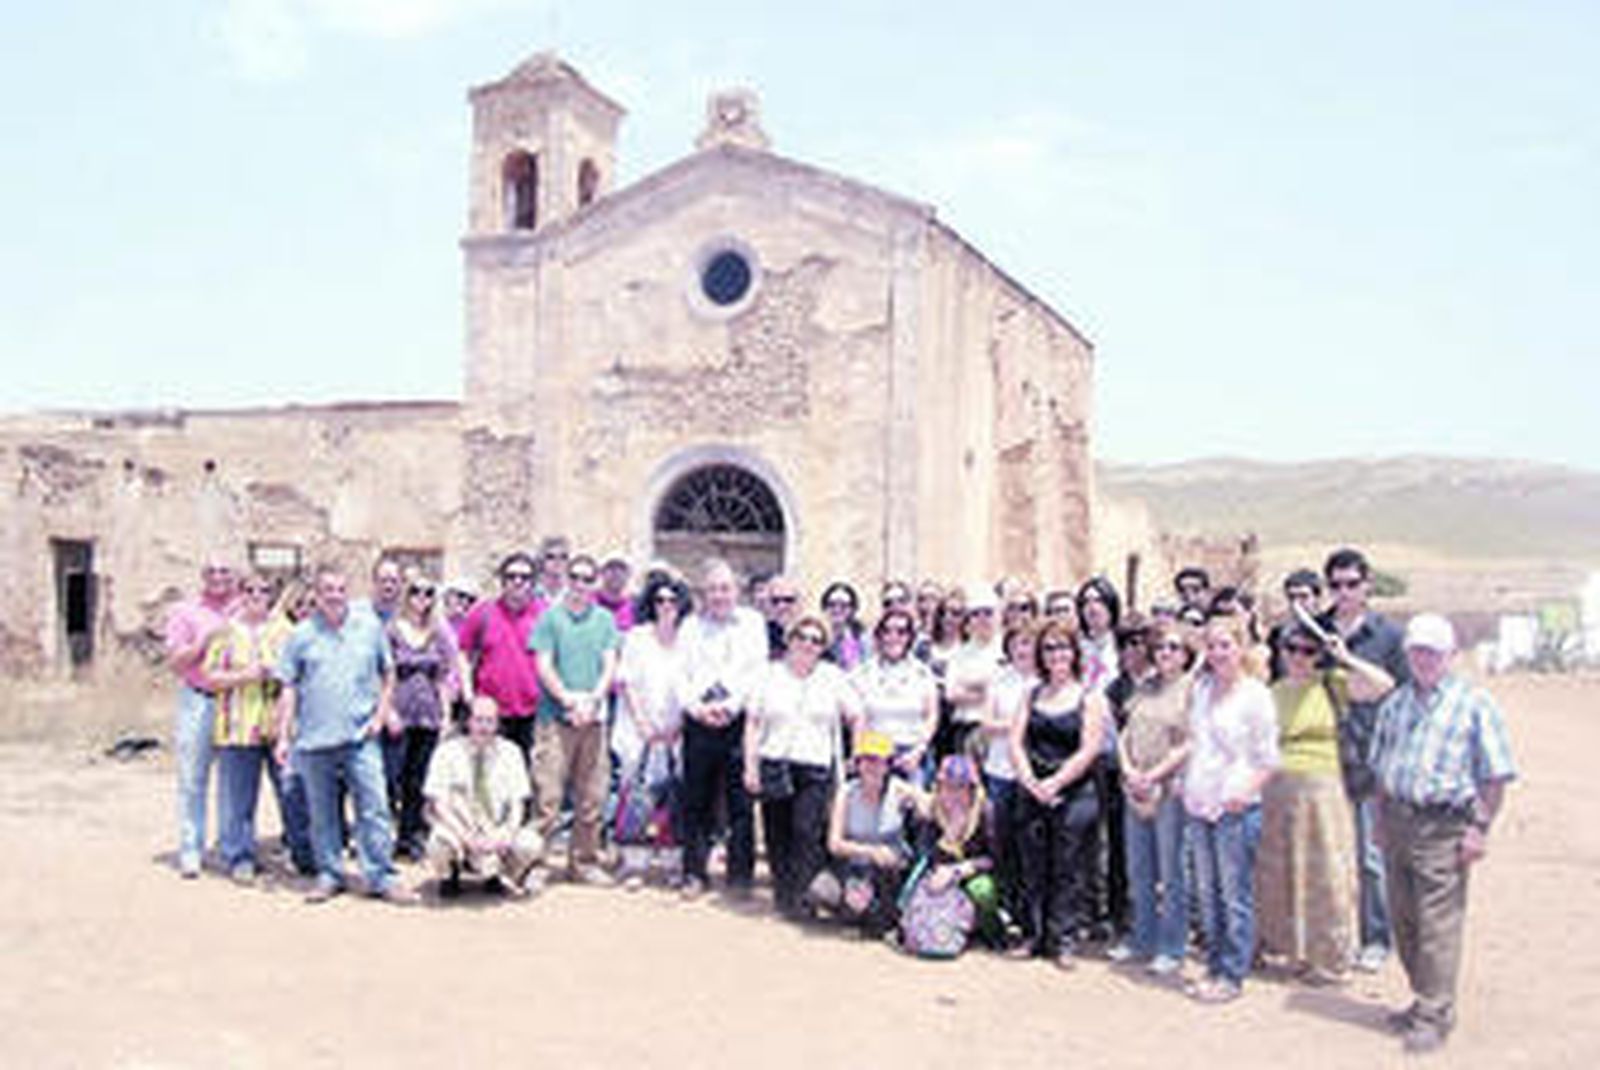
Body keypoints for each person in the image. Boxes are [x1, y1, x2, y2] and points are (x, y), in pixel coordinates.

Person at [1370, 613, 1516, 1054]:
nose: (1423, 658)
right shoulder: (1395, 703)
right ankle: (1425, 999)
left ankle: (1434, 1013)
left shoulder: (1474, 705)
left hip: (1443, 826)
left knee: (1438, 925)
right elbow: (1381, 766)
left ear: (1451, 655)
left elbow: (1495, 775)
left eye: (1432, 651)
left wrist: (1479, 829)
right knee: (1403, 920)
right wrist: (1378, 821)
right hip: (1398, 820)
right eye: (1416, 650)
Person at [1258, 622, 1395, 984]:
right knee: (1284, 871)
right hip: (1278, 787)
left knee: (1327, 873)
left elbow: (1384, 685)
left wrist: (1345, 657)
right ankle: (1291, 951)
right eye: (1292, 649)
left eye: (1308, 651)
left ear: (1319, 655)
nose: (1299, 658)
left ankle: (1331, 955)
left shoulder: (1334, 684)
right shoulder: (1273, 691)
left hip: (1323, 787)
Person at [273, 564, 416, 905]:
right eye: (327, 590)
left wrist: (381, 714)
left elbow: (388, 673)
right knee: (322, 812)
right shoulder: (301, 635)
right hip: (313, 740)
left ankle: (381, 875)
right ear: (317, 595)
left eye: (340, 589)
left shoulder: (368, 629)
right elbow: (288, 687)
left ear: (348, 591)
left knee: (375, 807)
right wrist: (283, 736)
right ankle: (330, 874)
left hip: (360, 737)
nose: (334, 596)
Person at [1319, 546, 1410, 973]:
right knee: (1328, 852)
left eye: (1351, 583)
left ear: (1367, 584)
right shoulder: (1313, 633)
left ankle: (1377, 937)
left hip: (1371, 759)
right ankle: (1335, 934)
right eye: (1335, 585)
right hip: (1321, 758)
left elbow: (1404, 696)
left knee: (1371, 859)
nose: (1343, 592)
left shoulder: (1388, 636)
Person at [1182, 615, 1279, 1002]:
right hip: (1200, 802)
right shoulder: (1202, 689)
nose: (1218, 653)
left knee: (1233, 893)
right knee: (1207, 892)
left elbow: (1269, 758)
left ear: (1241, 648)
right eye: (1212, 645)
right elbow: (1195, 742)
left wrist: (1245, 792)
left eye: (1226, 645)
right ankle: (1214, 964)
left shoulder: (1256, 695)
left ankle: (1232, 973)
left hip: (1235, 805)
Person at [743, 614, 860, 918]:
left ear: (823, 647)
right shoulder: (768, 674)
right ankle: (785, 897)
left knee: (807, 832)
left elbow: (856, 715)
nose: (808, 644)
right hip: (775, 761)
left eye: (816, 640)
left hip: (814, 766)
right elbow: (753, 724)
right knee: (776, 833)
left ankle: (803, 895)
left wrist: (856, 755)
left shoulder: (832, 677)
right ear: (790, 640)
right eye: (802, 637)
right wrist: (750, 767)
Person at [1009, 621, 1107, 968]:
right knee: (1033, 864)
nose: (1057, 655)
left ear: (1075, 653)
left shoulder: (1089, 697)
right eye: (1049, 648)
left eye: (1063, 647)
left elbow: (1089, 749)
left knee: (1069, 867)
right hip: (1033, 788)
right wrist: (1031, 781)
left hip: (1075, 791)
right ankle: (1034, 934)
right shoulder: (1031, 694)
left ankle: (1063, 939)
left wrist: (1056, 783)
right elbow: (1015, 742)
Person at [204, 572, 307, 882]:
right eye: (248, 589)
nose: (255, 595)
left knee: (291, 792)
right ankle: (241, 856)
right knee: (240, 797)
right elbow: (210, 676)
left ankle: (302, 853)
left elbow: (299, 675)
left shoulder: (285, 632)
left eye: (263, 590)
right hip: (237, 726)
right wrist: (246, 676)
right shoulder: (225, 632)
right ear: (240, 593)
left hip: (278, 727)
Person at [676, 558, 768, 899]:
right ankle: (693, 873)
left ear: (737, 590)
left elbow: (756, 672)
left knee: (740, 802)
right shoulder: (689, 627)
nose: (719, 595)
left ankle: (740, 877)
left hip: (738, 723)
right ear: (703, 592)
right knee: (695, 801)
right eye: (713, 588)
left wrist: (730, 707)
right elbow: (680, 675)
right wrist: (697, 709)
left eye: (725, 588)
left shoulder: (752, 624)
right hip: (698, 723)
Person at [528, 553, 620, 885]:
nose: (581, 585)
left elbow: (610, 663)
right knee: (547, 797)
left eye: (587, 578)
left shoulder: (605, 621)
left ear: (595, 583)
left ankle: (584, 862)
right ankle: (535, 865)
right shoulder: (550, 619)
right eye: (575, 578)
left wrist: (593, 700)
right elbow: (544, 664)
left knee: (592, 796)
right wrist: (567, 699)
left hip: (594, 720)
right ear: (567, 580)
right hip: (556, 718)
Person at [1113, 619, 1193, 975]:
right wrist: (1129, 770)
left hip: (1169, 788)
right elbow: (1124, 733)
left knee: (1172, 871)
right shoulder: (1144, 688)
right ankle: (1142, 936)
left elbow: (1189, 741)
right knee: (1139, 868)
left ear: (1186, 653)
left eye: (1174, 647)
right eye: (1160, 647)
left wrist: (1154, 776)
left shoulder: (1192, 690)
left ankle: (1172, 945)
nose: (1166, 653)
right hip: (1136, 786)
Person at [614, 571, 692, 888]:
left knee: (673, 796)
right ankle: (635, 864)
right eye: (659, 600)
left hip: (677, 732)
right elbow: (626, 682)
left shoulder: (690, 639)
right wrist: (643, 723)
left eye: (672, 600)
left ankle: (673, 862)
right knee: (637, 796)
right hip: (638, 731)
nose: (666, 605)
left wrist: (678, 726)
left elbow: (695, 684)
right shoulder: (637, 637)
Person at [423, 696, 542, 898]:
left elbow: (518, 805)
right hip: (460, 828)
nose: (484, 727)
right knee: (438, 844)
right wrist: (466, 837)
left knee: (531, 843)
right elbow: (438, 805)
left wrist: (505, 834)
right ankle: (449, 875)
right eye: (478, 720)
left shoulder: (511, 753)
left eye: (490, 721)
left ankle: (499, 876)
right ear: (468, 722)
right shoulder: (446, 752)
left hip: (495, 828)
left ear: (497, 724)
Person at [164, 556, 238, 878]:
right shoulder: (185, 612)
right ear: (202, 576)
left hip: (235, 702)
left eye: (224, 570)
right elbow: (176, 663)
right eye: (212, 571)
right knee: (193, 777)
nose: (219, 577)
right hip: (199, 699)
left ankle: (227, 847)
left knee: (231, 780)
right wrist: (203, 642)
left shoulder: (241, 608)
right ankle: (191, 848)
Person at [897, 754, 1010, 955]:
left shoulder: (986, 812)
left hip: (974, 876)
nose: (954, 795)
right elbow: (925, 855)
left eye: (961, 787)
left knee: (982, 890)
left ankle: (991, 931)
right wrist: (948, 837)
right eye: (948, 787)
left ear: (971, 790)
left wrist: (959, 870)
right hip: (941, 878)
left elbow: (997, 859)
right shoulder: (931, 810)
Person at [385, 572, 462, 860]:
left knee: (418, 780)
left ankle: (410, 836)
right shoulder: (393, 630)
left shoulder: (438, 631)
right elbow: (383, 674)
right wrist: (388, 710)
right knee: (392, 777)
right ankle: (388, 834)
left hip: (427, 714)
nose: (422, 599)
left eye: (429, 593)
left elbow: (444, 675)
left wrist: (446, 715)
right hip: (399, 713)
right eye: (416, 592)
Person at [810, 731, 918, 935]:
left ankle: (880, 914)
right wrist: (870, 851)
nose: (873, 766)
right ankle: (858, 912)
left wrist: (919, 803)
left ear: (888, 765)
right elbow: (834, 843)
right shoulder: (846, 792)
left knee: (880, 911)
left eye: (879, 760)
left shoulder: (899, 790)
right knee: (821, 890)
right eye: (867, 759)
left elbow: (932, 805)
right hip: (853, 867)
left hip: (888, 871)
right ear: (858, 763)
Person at [978, 620, 1039, 928]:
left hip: (1034, 773)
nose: (1022, 649)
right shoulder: (1000, 680)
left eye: (1028, 642)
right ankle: (1006, 909)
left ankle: (1031, 914)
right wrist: (1021, 725)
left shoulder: (1044, 680)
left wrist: (1014, 725)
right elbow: (987, 723)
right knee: (1002, 842)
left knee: (1031, 846)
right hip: (1000, 770)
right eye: (1017, 642)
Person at [457, 552, 546, 761]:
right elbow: (463, 653)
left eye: (524, 577)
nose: (518, 582)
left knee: (523, 777)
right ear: (502, 580)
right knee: (487, 771)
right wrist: (469, 695)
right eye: (511, 576)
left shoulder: (544, 615)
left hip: (531, 713)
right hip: (489, 713)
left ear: (533, 582)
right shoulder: (483, 612)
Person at [1077, 576, 1125, 939]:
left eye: (1099, 601)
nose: (1093, 607)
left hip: (1116, 752)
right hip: (1080, 753)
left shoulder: (1121, 648)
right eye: (1087, 601)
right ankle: (1089, 910)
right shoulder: (1075, 647)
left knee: (1118, 836)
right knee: (1085, 835)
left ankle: (1119, 910)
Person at [850, 607, 938, 785]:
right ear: (879, 635)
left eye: (901, 631)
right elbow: (858, 719)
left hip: (912, 754)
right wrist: (860, 755)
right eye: (887, 631)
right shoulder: (863, 673)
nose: (894, 637)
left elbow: (931, 716)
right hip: (874, 754)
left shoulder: (922, 673)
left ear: (910, 637)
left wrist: (918, 752)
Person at [943, 584, 1003, 760]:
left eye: (987, 613)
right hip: (966, 729)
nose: (982, 619)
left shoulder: (1007, 649)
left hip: (1001, 731)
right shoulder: (959, 653)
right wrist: (989, 688)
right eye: (976, 614)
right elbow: (951, 694)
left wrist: (971, 686)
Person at [1266, 568, 1323, 680]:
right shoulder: (1278, 632)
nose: (1297, 603)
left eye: (1303, 596)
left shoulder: (1328, 628)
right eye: (1292, 597)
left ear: (1316, 598)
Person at [819, 581, 870, 670]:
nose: (837, 609)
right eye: (832, 604)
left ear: (853, 609)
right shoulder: (819, 635)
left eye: (844, 605)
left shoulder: (860, 639)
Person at [763, 573, 803, 660]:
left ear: (799, 603)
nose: (782, 606)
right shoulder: (759, 635)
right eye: (775, 601)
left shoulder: (813, 634)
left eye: (788, 600)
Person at [596, 552, 636, 632]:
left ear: (628, 575)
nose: (616, 573)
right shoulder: (589, 602)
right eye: (611, 567)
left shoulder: (634, 608)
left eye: (621, 569)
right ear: (602, 573)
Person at [533, 535, 571, 603]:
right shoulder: (532, 591)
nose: (557, 561)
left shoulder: (574, 591)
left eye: (563, 557)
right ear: (541, 561)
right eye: (551, 557)